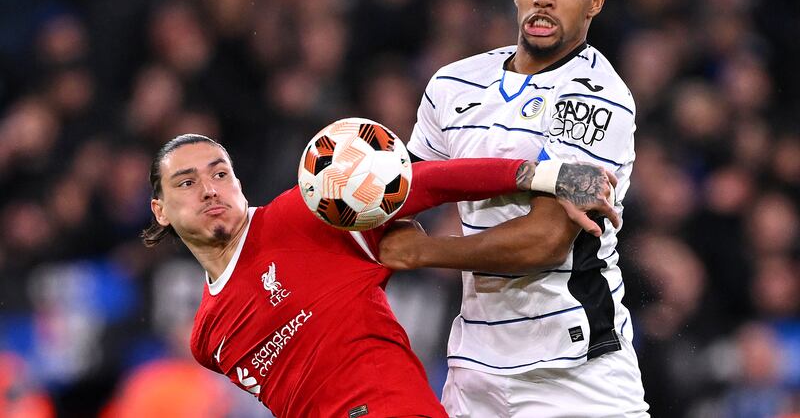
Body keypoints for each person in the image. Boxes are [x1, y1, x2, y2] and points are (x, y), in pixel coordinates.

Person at [142, 132, 619, 418]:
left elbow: (423, 183)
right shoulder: (208, 340)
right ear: (160, 210)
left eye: (220, 174)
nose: (210, 190)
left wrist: (541, 176)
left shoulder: (304, 215)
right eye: (187, 182)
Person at [389, 0, 649, 417]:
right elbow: (408, 193)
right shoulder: (453, 84)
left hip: (573, 371)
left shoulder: (597, 96)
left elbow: (544, 240)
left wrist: (425, 252)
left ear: (594, 2)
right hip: (474, 368)